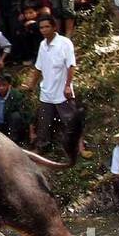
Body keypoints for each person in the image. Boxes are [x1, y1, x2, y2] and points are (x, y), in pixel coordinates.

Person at [32, 14, 77, 156]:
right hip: (46, 90)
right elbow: (38, 67)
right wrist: (31, 85)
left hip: (62, 91)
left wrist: (68, 85)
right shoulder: (42, 45)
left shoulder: (65, 43)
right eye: (41, 27)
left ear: (54, 27)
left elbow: (71, 66)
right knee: (43, 122)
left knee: (70, 121)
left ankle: (76, 147)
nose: (44, 30)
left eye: (47, 27)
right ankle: (41, 147)